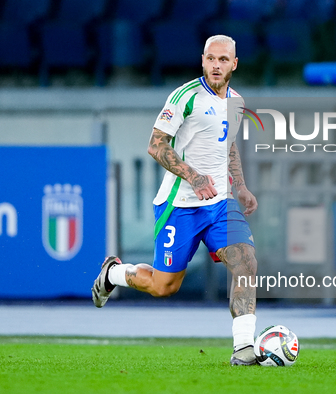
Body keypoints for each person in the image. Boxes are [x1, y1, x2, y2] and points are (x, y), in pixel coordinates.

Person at [92, 35, 259, 366]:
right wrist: (194, 177)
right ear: (202, 60)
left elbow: (228, 146)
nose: (216, 65)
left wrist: (239, 186)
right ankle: (113, 274)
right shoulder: (185, 97)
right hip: (179, 205)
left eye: (223, 60)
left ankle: (243, 348)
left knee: (246, 262)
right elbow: (156, 145)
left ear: (234, 64)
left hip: (219, 204)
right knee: (163, 285)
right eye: (210, 58)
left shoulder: (236, 103)